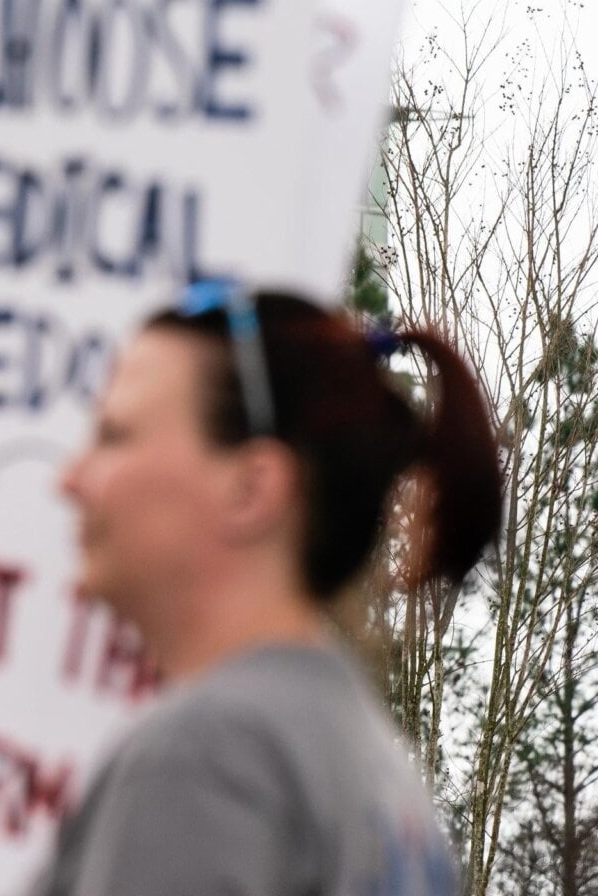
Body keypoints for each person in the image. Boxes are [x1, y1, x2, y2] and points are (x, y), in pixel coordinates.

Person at [28, 284, 502, 896]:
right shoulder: (387, 785)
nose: (71, 478)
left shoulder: (207, 759)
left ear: (251, 488)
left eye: (115, 435)